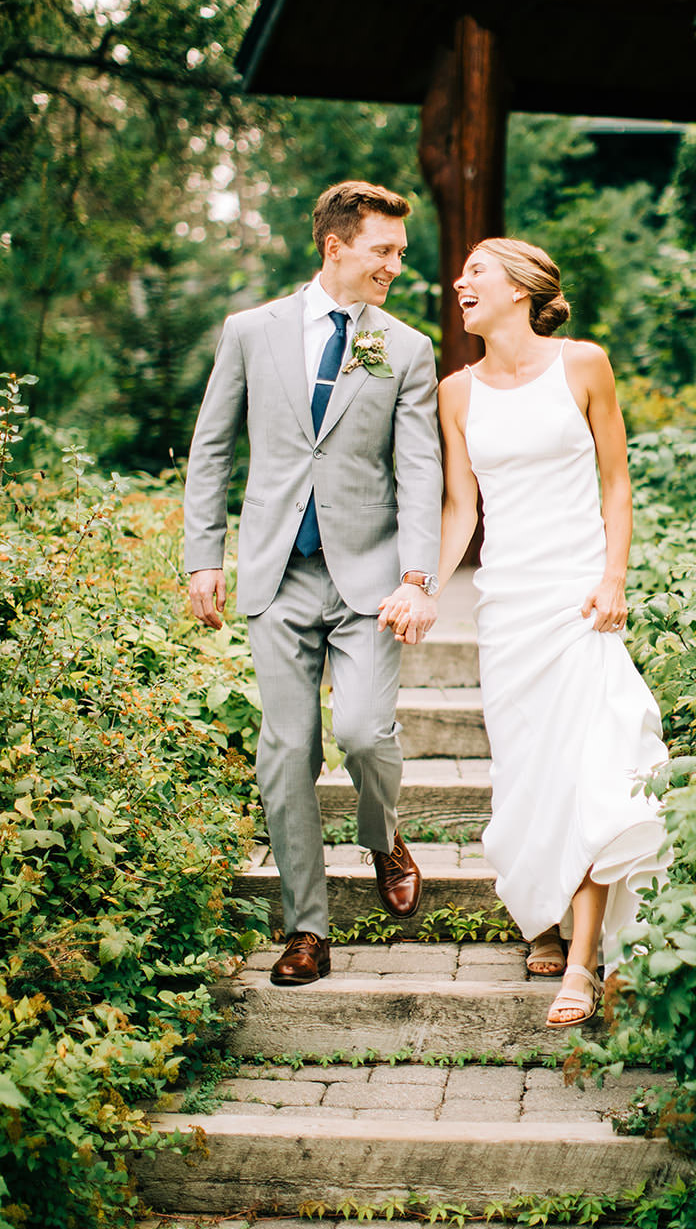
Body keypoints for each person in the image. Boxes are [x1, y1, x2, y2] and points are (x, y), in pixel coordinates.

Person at [393, 236, 667, 1027]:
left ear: (519, 287)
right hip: (507, 608)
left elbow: (616, 484)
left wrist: (612, 578)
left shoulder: (584, 364)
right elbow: (461, 509)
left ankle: (579, 964)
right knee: (527, 779)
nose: (458, 283)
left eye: (473, 272)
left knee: (592, 770)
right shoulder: (455, 392)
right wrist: (424, 589)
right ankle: (542, 916)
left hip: (579, 602)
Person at [184, 180, 442, 987]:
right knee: (287, 748)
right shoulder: (250, 332)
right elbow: (214, 447)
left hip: (368, 577)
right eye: (383, 251)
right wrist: (204, 555)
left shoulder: (401, 346)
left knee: (365, 733)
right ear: (336, 247)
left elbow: (419, 465)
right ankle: (306, 928)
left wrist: (418, 575)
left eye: (399, 252)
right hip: (275, 573)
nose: (396, 266)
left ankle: (382, 835)